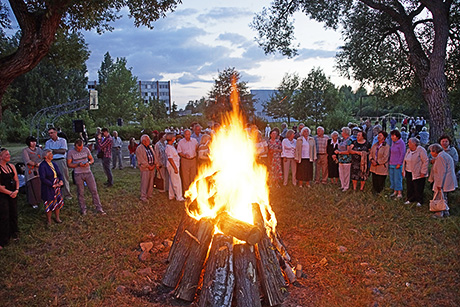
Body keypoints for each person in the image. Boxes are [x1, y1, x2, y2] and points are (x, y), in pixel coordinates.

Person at [67, 139, 105, 215]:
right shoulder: (70, 152)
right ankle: (83, 209)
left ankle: (99, 207)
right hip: (78, 174)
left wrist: (89, 163)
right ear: (75, 146)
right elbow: (69, 164)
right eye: (78, 148)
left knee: (94, 190)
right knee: (80, 192)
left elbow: (92, 159)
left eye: (81, 148)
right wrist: (78, 165)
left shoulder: (86, 150)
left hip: (88, 172)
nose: (79, 150)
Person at [428, 143, 457, 218]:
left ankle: (439, 213)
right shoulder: (443, 155)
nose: (431, 153)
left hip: (444, 181)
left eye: (431, 151)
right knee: (444, 197)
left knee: (439, 197)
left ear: (435, 151)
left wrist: (439, 184)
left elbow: (441, 172)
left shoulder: (441, 157)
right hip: (446, 180)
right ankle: (445, 211)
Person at [0, 148, 20, 250]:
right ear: (1, 157)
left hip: (13, 193)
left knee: (13, 213)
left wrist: (16, 190)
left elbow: (16, 179)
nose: (9, 156)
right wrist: (10, 193)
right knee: (4, 216)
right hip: (3, 195)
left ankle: (14, 232)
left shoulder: (11, 166)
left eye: (9, 154)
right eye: (6, 155)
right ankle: (4, 239)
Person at [39, 149, 64, 226]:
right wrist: (52, 185)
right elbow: (43, 178)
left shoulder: (54, 164)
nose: (52, 155)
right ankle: (49, 220)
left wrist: (61, 181)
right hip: (48, 187)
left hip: (57, 185)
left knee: (57, 201)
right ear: (45, 157)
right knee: (49, 202)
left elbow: (59, 174)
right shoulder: (42, 166)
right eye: (50, 154)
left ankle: (57, 218)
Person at [45, 127, 72, 198]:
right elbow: (47, 153)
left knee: (64, 177)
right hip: (52, 161)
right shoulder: (48, 142)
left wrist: (52, 151)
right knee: (53, 177)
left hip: (61, 160)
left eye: (51, 133)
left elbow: (63, 151)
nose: (50, 135)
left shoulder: (62, 140)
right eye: (49, 133)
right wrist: (57, 150)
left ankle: (67, 194)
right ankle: (56, 193)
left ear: (56, 132)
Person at [402, 138, 429, 207]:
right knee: (410, 186)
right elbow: (404, 161)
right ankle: (410, 198)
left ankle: (419, 200)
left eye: (409, 143)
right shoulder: (408, 150)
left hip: (418, 172)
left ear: (414, 144)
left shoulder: (421, 150)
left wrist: (423, 171)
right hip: (409, 171)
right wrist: (403, 170)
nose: (408, 144)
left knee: (418, 186)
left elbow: (425, 161)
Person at [22, 136, 43, 208]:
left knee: (40, 185)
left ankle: (40, 199)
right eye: (32, 142)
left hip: (40, 170)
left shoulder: (39, 149)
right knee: (32, 186)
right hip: (31, 171)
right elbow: (27, 161)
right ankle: (33, 202)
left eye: (34, 141)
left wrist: (41, 164)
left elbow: (43, 157)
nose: (33, 143)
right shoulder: (25, 150)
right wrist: (36, 164)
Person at [136, 134, 156, 202]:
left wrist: (154, 164)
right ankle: (143, 196)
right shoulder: (139, 148)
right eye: (147, 139)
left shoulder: (150, 147)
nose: (149, 140)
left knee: (151, 182)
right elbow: (141, 160)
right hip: (145, 168)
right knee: (145, 182)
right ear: (143, 141)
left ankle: (149, 194)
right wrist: (148, 166)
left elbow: (154, 155)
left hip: (152, 167)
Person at [165, 133, 185, 201]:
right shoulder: (169, 148)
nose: (175, 138)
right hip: (173, 166)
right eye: (174, 137)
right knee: (177, 181)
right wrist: (175, 168)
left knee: (172, 180)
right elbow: (170, 158)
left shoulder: (171, 146)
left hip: (174, 165)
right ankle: (179, 197)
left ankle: (171, 195)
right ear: (172, 138)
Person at [389, 130, 406, 198]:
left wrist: (399, 163)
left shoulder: (401, 143)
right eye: (391, 136)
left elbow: (402, 154)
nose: (392, 137)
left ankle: (399, 193)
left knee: (398, 178)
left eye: (393, 135)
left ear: (397, 136)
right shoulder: (393, 142)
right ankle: (394, 191)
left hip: (397, 164)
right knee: (392, 178)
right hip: (391, 163)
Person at [335, 127, 353, 191]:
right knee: (341, 173)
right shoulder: (342, 140)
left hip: (346, 159)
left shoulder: (349, 140)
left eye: (342, 131)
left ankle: (346, 186)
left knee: (346, 174)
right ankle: (342, 185)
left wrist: (339, 152)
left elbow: (349, 151)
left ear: (345, 132)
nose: (341, 133)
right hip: (340, 159)